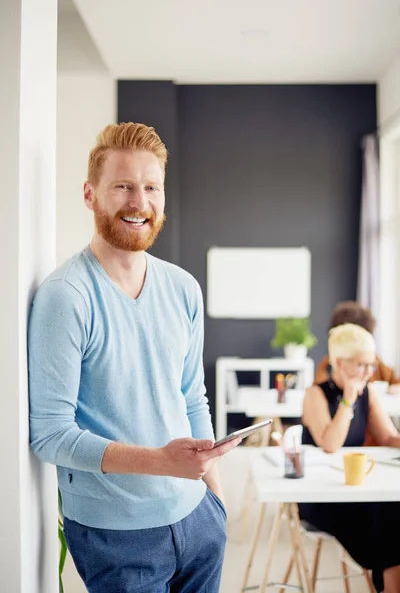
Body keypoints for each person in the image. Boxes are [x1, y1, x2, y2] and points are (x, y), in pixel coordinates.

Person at [28, 122, 240, 593]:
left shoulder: (184, 288)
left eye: (151, 187)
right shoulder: (67, 296)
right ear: (90, 194)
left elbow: (192, 396)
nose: (139, 203)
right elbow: (49, 435)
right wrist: (160, 462)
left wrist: (216, 502)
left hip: (198, 517)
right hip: (116, 538)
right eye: (122, 186)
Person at [300, 323, 400, 593]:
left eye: (371, 364)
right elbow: (331, 444)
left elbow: (389, 437)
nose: (369, 372)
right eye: (361, 365)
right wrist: (347, 400)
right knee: (388, 517)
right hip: (322, 496)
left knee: (393, 510)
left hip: (355, 489)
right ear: (340, 363)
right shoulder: (315, 394)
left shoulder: (367, 393)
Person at [314, 300, 400, 387]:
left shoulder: (374, 361)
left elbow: (395, 381)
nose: (368, 372)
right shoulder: (326, 368)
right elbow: (318, 393)